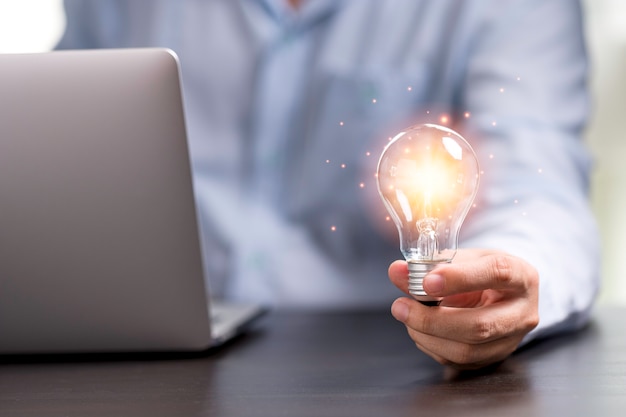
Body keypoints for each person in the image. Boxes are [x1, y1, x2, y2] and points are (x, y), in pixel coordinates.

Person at [56, 0, 600, 369]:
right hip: (152, 356)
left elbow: (540, 188)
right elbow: (58, 145)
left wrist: (506, 281)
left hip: (383, 365)